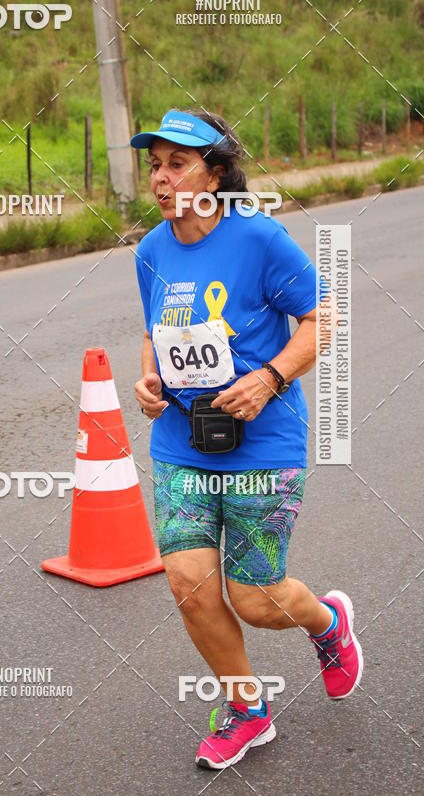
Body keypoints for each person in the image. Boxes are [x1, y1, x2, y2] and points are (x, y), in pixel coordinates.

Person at [130, 109, 363, 771]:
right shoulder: (151, 251)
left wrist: (269, 376)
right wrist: (148, 380)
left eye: (177, 164)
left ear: (217, 172)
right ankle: (247, 708)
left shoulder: (261, 240)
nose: (161, 179)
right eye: (155, 165)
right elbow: (154, 328)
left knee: (257, 600)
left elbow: (322, 319)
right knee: (189, 584)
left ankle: (327, 623)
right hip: (181, 441)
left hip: (263, 444)